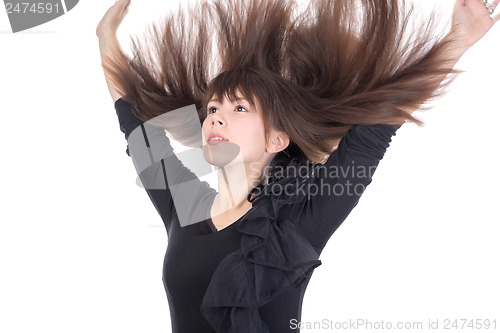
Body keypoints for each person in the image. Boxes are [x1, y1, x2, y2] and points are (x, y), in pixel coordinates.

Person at [96, 0, 498, 332]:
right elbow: (138, 132)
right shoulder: (184, 204)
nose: (216, 117)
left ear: (276, 140)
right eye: (213, 107)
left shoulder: (297, 222)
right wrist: (105, 38)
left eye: (239, 108)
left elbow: (371, 135)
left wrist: (457, 39)